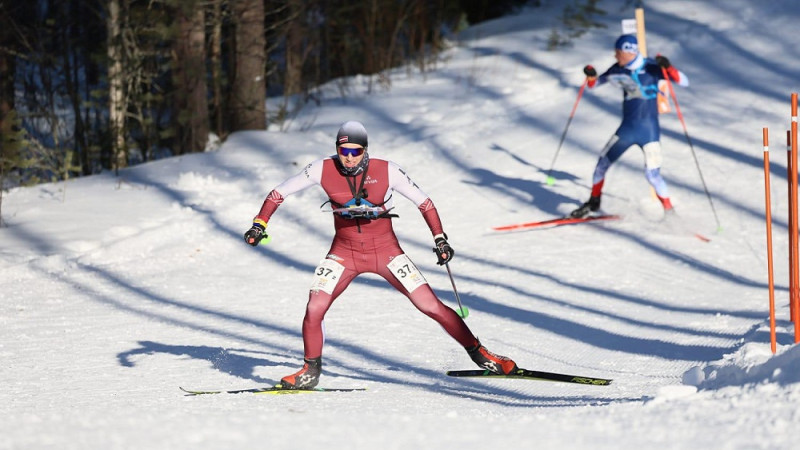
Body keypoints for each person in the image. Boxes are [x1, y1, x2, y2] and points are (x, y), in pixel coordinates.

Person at [244, 120, 517, 389]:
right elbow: (278, 193)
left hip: (386, 252)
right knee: (314, 308)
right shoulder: (320, 168)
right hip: (344, 253)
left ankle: (482, 355)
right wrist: (260, 224)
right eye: (343, 151)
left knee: (430, 305)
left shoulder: (387, 170)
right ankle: (310, 370)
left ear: (365, 150)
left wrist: (440, 239)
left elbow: (425, 203)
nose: (349, 158)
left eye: (355, 152)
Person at [570, 34, 689, 218]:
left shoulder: (651, 67)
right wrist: (591, 76)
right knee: (601, 165)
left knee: (652, 175)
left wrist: (668, 67)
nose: (615, 56)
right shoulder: (618, 69)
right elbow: (594, 84)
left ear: (629, 52)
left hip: (648, 132)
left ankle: (669, 212)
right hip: (626, 130)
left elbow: (683, 81)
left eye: (618, 52)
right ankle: (593, 202)